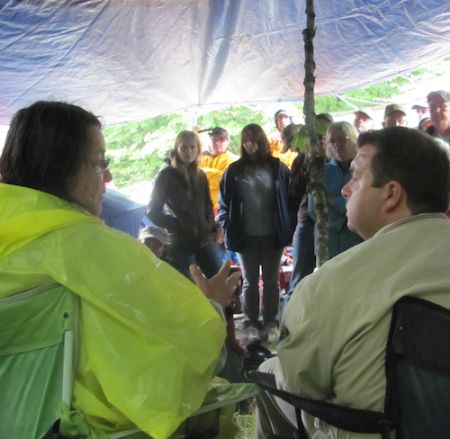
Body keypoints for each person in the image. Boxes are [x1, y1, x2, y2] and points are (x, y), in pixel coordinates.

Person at [0, 101, 241, 439]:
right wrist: (212, 306)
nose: (109, 177)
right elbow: (194, 357)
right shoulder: (94, 249)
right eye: (100, 163)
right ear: (62, 167)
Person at [256, 126, 450, 439]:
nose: (345, 189)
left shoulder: (331, 285)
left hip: (374, 430)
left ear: (390, 194)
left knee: (269, 373)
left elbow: (300, 382)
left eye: (356, 178)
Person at [218, 123, 294, 342]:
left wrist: (287, 225)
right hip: (246, 235)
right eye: (246, 140)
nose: (250, 144)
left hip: (273, 234)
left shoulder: (277, 167)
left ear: (262, 141)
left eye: (254, 139)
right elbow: (223, 204)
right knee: (250, 280)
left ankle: (271, 321)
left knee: (271, 280)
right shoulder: (234, 170)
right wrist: (226, 226)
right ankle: (251, 321)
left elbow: (290, 198)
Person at [147, 130, 222, 279]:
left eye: (193, 147)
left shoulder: (200, 175)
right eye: (184, 147)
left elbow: (208, 205)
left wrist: (212, 228)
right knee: (189, 287)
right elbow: (152, 211)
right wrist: (175, 225)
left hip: (204, 240)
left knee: (220, 281)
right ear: (177, 149)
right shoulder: (166, 176)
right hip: (180, 243)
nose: (189, 152)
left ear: (198, 149)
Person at [308, 121, 363, 258]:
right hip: (329, 242)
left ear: (354, 139)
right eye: (331, 141)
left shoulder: (364, 169)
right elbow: (314, 210)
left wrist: (333, 201)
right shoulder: (320, 172)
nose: (337, 145)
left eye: (342, 140)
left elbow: (364, 206)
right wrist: (343, 219)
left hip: (357, 241)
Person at [198, 127, 237, 213]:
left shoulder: (231, 161)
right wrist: (214, 173)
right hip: (198, 206)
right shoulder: (201, 158)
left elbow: (221, 180)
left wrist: (201, 173)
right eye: (214, 139)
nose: (217, 142)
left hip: (219, 208)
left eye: (221, 140)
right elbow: (192, 176)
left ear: (227, 142)